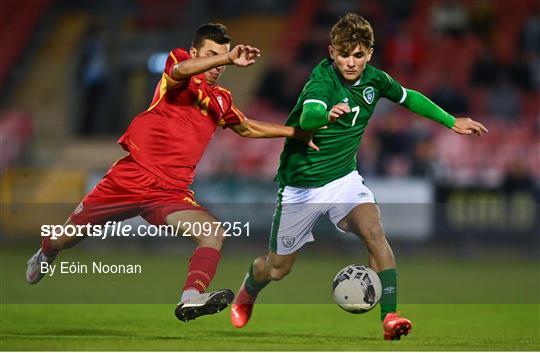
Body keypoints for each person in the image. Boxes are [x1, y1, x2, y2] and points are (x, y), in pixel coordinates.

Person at [25, 23, 317, 323]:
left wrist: (295, 132)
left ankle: (190, 298)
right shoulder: (179, 66)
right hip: (131, 177)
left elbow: (246, 126)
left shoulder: (220, 99)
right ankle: (46, 252)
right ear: (195, 53)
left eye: (223, 56)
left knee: (213, 232)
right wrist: (227, 58)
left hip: (170, 192)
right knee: (67, 238)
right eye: (211, 55)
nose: (218, 64)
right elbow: (181, 72)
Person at [230, 13, 487, 340]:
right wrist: (325, 113)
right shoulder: (322, 80)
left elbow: (409, 97)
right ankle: (250, 287)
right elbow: (308, 115)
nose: (350, 62)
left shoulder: (375, 80)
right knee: (277, 268)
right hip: (301, 187)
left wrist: (451, 121)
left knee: (374, 231)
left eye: (358, 55)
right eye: (344, 54)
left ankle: (390, 316)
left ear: (369, 54)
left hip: (343, 180)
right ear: (332, 52)